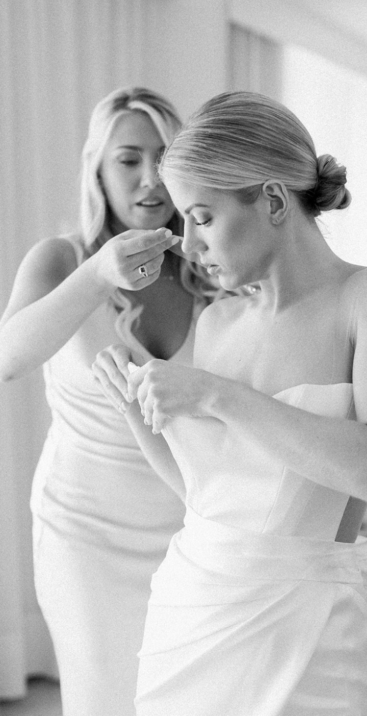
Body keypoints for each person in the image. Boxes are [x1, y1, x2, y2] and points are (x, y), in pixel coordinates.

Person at [91, 90, 367, 715]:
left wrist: (219, 396)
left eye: (201, 216)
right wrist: (132, 410)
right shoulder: (219, 322)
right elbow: (210, 495)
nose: (190, 247)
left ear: (273, 200)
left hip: (307, 626)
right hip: (192, 607)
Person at [0, 87, 220, 716]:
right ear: (98, 166)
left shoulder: (209, 268)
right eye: (129, 159)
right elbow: (8, 358)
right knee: (102, 697)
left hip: (183, 521)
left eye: (165, 157)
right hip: (84, 532)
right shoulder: (60, 259)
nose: (150, 178)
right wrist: (97, 275)